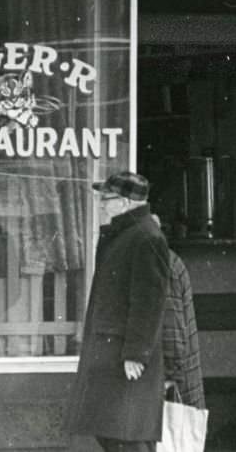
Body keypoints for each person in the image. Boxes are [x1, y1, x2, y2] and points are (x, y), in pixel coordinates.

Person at [65, 171, 171, 452]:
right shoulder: (127, 235)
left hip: (124, 356)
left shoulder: (146, 237)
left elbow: (148, 302)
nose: (101, 204)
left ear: (125, 203)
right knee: (114, 431)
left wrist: (136, 353)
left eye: (106, 199)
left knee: (127, 433)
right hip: (112, 351)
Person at [162, 248, 205, 410]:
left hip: (172, 378)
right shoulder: (169, 262)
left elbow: (172, 327)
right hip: (179, 371)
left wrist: (170, 375)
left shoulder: (163, 263)